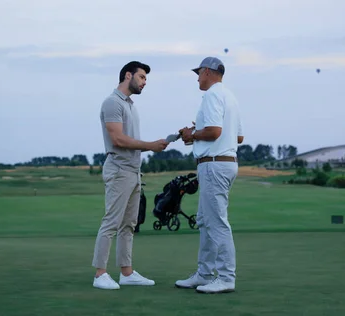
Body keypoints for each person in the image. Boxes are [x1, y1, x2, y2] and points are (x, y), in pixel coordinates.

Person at [92, 61, 170, 290]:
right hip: (119, 169)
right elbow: (117, 139)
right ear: (128, 75)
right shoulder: (112, 102)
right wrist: (150, 145)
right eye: (142, 77)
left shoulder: (130, 105)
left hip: (133, 170)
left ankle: (126, 273)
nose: (145, 82)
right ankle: (100, 274)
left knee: (129, 224)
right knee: (111, 222)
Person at [175, 57, 244, 294]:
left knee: (216, 222)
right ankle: (204, 274)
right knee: (205, 220)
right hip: (224, 163)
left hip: (214, 165)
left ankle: (226, 277)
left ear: (207, 71)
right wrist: (200, 130)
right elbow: (239, 137)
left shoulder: (213, 95)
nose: (197, 78)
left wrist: (192, 133)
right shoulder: (230, 96)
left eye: (199, 73)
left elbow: (215, 132)